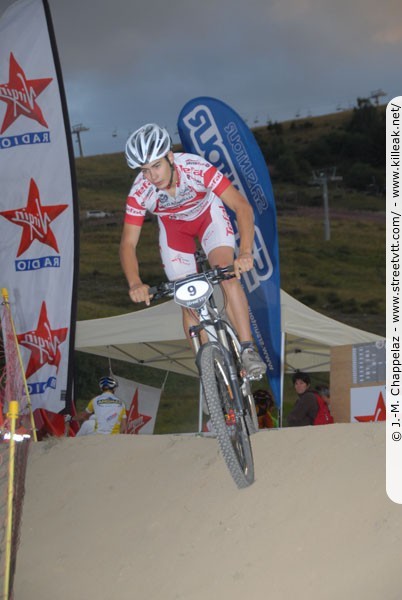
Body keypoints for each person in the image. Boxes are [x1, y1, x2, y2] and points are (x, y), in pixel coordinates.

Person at [119, 123, 266, 378]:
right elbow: (128, 243)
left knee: (225, 272)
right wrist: (135, 283)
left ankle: (247, 349)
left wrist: (244, 253)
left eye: (156, 166)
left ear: (170, 157)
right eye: (144, 170)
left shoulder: (195, 167)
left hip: (208, 217)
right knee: (187, 298)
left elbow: (241, 207)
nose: (152, 176)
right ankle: (209, 372)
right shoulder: (140, 191)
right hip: (175, 232)